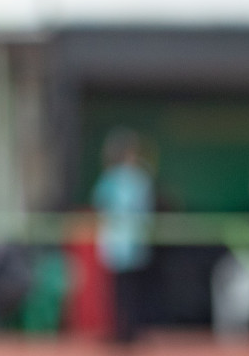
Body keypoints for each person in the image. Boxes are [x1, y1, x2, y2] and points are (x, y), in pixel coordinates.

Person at [92, 129, 154, 345]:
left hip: (135, 242)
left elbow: (145, 209)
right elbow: (101, 204)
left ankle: (133, 331)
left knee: (134, 288)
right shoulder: (110, 178)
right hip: (117, 242)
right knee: (118, 289)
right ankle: (119, 330)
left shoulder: (140, 178)